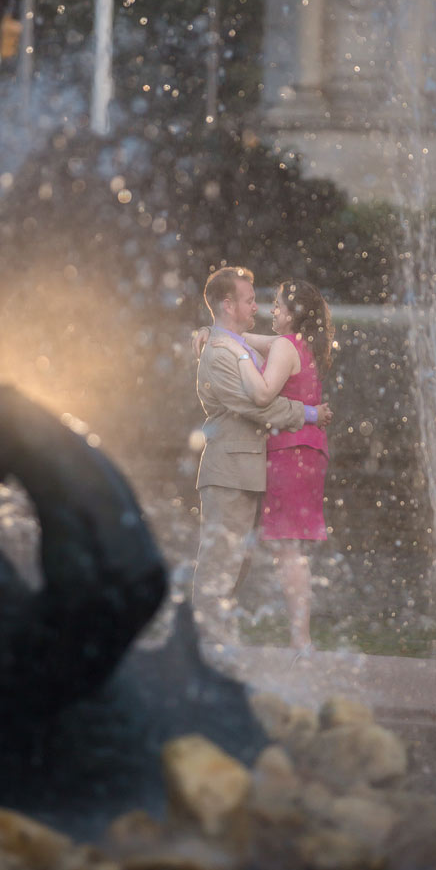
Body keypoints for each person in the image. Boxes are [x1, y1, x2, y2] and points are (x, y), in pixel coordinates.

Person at [192, 266, 332, 645]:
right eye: (250, 299)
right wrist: (308, 413)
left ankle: (213, 640)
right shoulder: (222, 354)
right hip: (229, 471)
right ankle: (200, 647)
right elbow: (257, 406)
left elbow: (257, 349)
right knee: (220, 562)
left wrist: (214, 332)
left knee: (238, 562)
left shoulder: (233, 346)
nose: (257, 306)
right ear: (227, 303)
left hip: (249, 470)